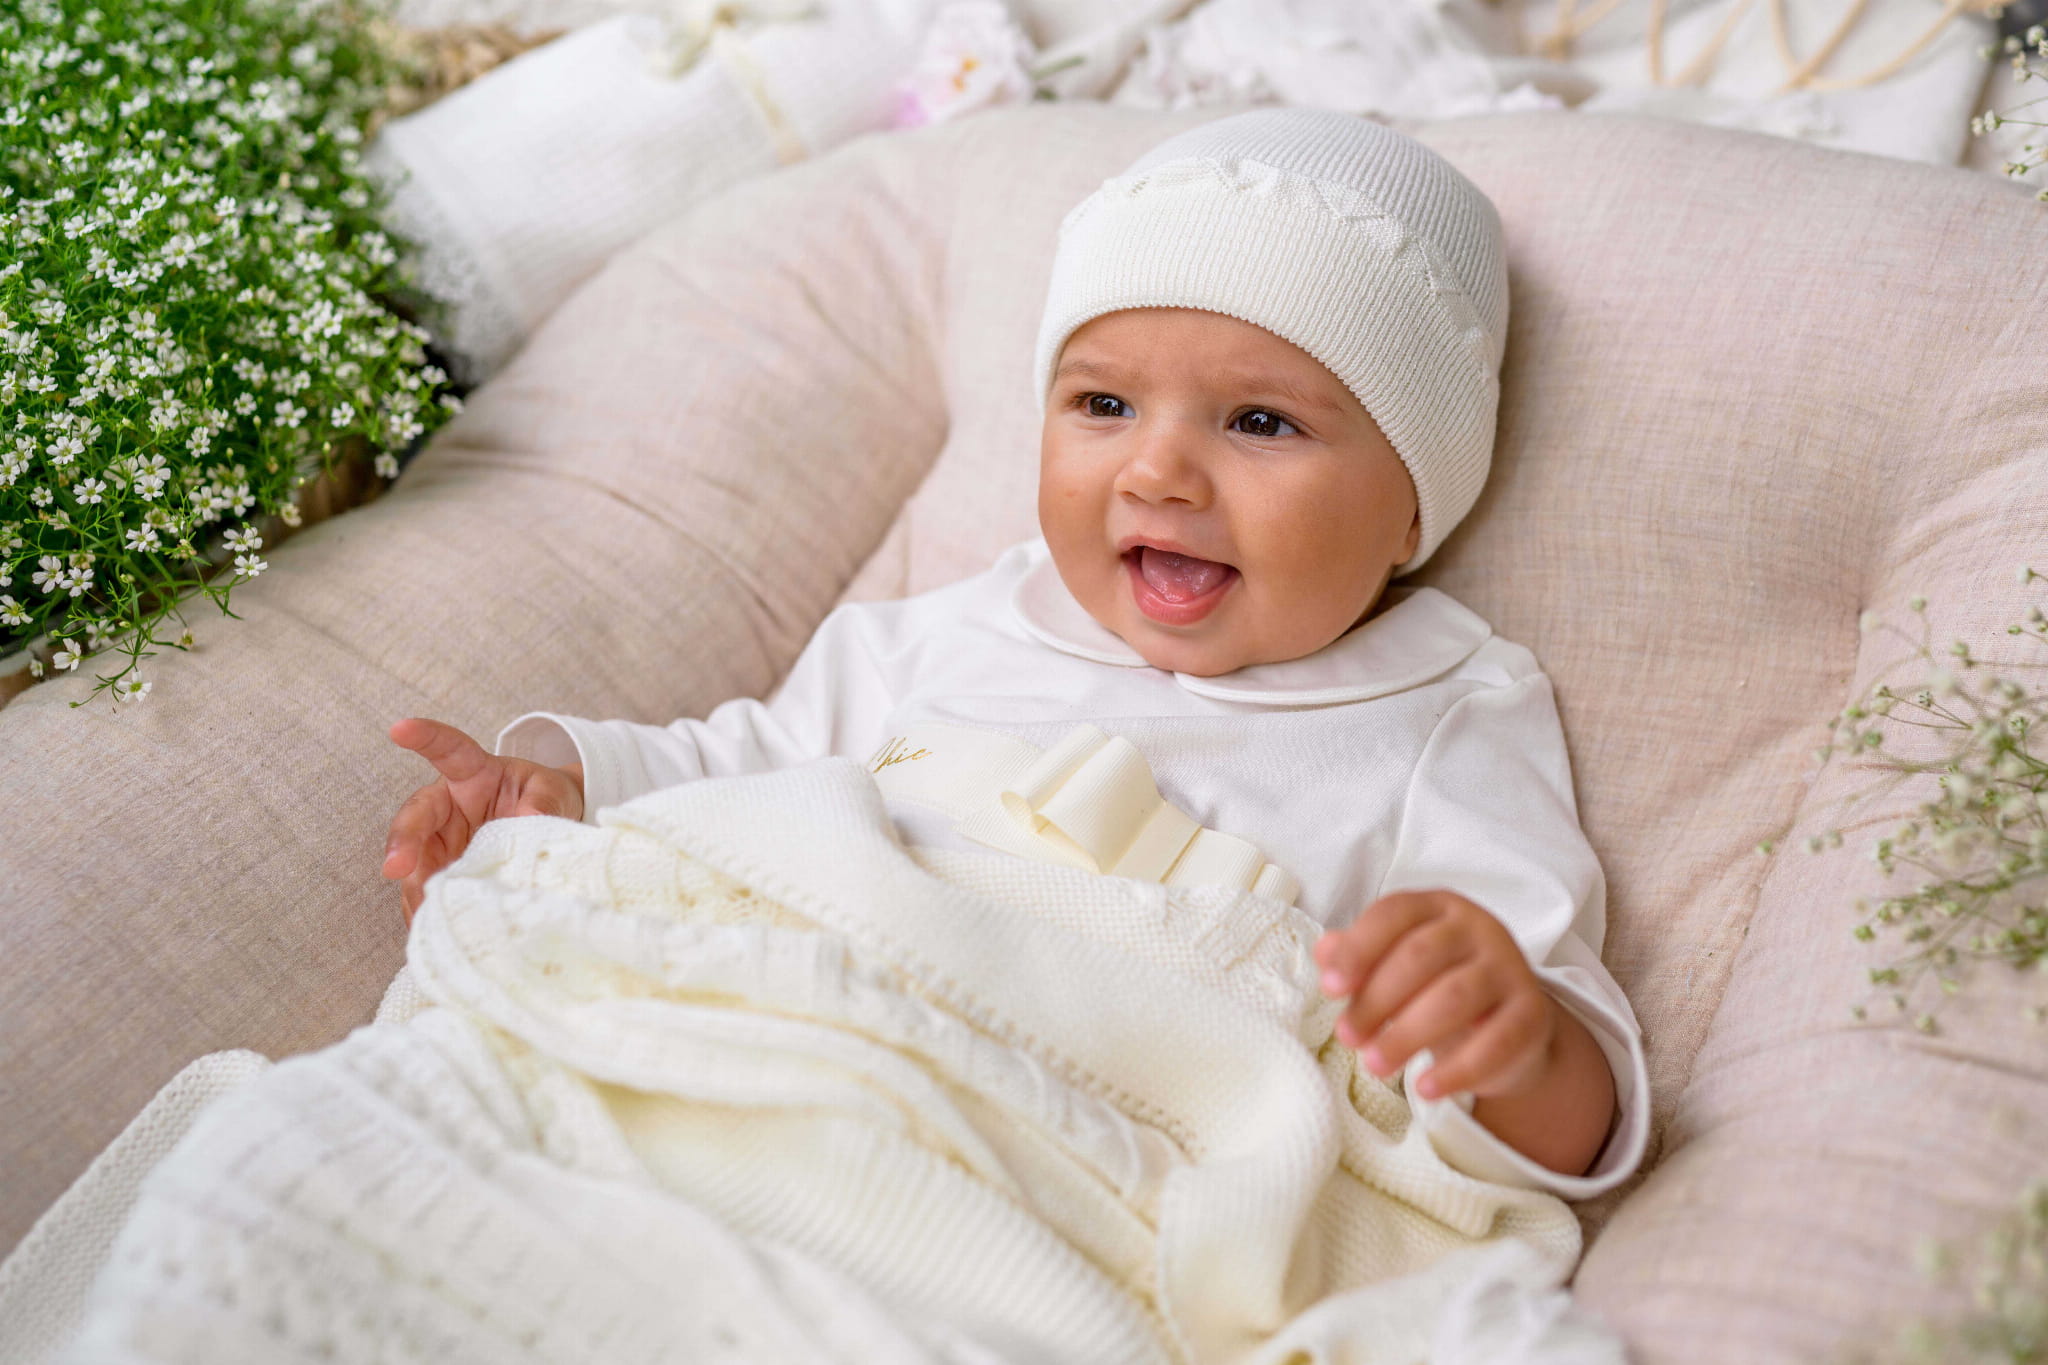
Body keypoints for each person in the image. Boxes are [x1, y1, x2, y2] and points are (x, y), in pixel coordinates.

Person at [380, 107, 1650, 1199]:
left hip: (1078, 1155)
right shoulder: (951, 630)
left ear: (1414, 506)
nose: (1156, 471)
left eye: (1259, 422)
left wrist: (1515, 1044)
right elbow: (738, 776)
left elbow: (1571, 1084)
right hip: (798, 1046)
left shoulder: (1446, 709)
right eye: (1103, 404)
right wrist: (564, 800)